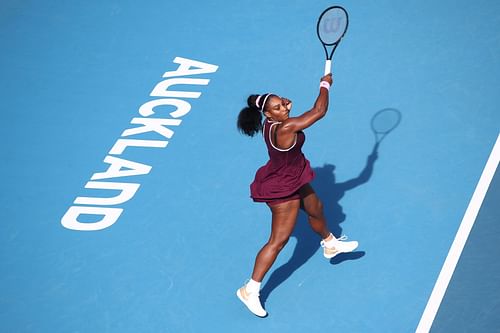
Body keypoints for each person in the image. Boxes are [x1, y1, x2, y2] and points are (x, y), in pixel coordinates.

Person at [235, 73, 359, 317]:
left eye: (283, 103)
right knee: (278, 241)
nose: (284, 108)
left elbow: (286, 113)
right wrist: (325, 84)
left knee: (316, 207)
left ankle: (330, 244)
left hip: (291, 176)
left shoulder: (272, 124)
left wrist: (284, 109)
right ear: (268, 115)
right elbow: (319, 110)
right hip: (283, 189)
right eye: (277, 108)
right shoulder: (287, 126)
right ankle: (250, 289)